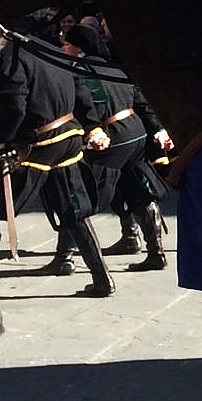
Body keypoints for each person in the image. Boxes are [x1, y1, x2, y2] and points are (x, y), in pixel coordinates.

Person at [0, 18, 114, 297]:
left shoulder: (8, 61)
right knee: (74, 208)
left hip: (38, 143)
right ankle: (101, 278)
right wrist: (90, 126)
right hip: (69, 137)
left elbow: (14, 110)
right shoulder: (48, 50)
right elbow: (80, 93)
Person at [61, 23, 173, 271]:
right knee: (136, 187)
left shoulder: (81, 70)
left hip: (113, 136)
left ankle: (65, 257)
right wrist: (158, 128)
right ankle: (147, 246)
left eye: (67, 44)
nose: (63, 47)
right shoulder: (113, 67)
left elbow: (90, 102)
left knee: (80, 194)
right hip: (135, 132)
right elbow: (140, 99)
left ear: (78, 49)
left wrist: (92, 129)